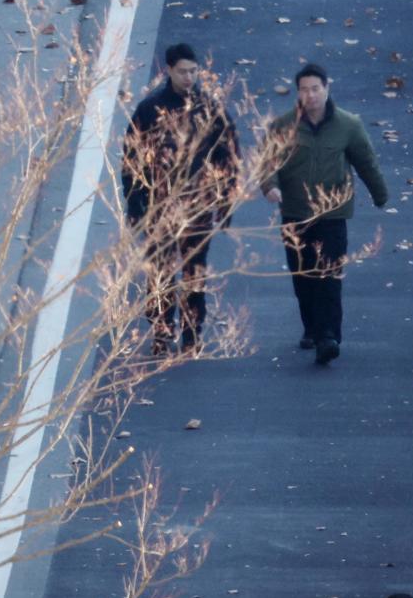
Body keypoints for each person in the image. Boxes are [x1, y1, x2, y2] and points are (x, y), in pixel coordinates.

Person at [259, 63, 390, 365]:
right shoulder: (283, 126)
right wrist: (269, 188)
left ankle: (329, 336)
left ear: (327, 89)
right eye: (304, 89)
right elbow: (268, 163)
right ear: (298, 93)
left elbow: (365, 161)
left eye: (315, 89)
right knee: (303, 275)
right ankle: (312, 326)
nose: (310, 95)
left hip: (332, 212)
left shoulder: (348, 125)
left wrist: (380, 194)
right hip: (295, 213)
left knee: (329, 274)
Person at [121, 43, 241, 354]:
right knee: (159, 272)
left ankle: (191, 332)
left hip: (197, 206)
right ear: (169, 71)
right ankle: (161, 330)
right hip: (158, 208)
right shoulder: (149, 110)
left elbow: (229, 155)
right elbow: (132, 158)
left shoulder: (210, 109)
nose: (189, 77)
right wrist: (135, 202)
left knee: (194, 272)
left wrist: (226, 199)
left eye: (193, 71)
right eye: (182, 71)